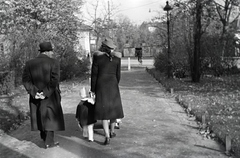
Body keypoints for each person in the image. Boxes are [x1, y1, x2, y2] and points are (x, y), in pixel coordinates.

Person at [22, 41, 65, 149]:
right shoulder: (54, 62)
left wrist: (35, 92)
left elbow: (25, 80)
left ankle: (44, 138)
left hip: (35, 95)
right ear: (49, 52)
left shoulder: (29, 63)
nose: (52, 54)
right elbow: (55, 79)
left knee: (39, 114)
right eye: (51, 51)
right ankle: (49, 142)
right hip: (50, 94)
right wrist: (45, 92)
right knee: (50, 117)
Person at [91, 38, 124, 145]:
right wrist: (115, 83)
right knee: (113, 109)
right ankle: (112, 131)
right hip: (113, 84)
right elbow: (118, 75)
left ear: (102, 47)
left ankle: (107, 136)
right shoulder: (116, 58)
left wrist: (93, 89)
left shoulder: (97, 57)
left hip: (101, 85)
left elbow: (94, 75)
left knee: (104, 111)